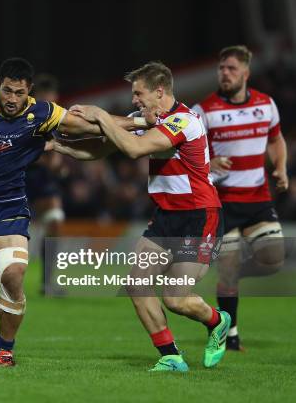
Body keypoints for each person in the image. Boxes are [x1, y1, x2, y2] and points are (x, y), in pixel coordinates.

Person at [0, 57, 126, 366]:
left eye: (19, 93)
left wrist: (139, 122)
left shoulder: (42, 112)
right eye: (6, 91)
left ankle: (5, 348)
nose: (12, 99)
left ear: (29, 90)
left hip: (10, 206)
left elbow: (89, 125)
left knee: (13, 275)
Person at [56, 61, 231, 372]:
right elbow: (102, 146)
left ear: (159, 91)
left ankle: (218, 321)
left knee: (176, 299)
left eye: (138, 93)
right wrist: (61, 144)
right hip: (166, 217)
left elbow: (135, 150)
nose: (134, 99)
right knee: (137, 284)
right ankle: (171, 356)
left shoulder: (184, 122)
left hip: (199, 217)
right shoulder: (152, 120)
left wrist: (100, 114)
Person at [192, 45, 287, 351]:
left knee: (273, 260)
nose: (225, 73)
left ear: (246, 73)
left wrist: (281, 168)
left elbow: (275, 140)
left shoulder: (265, 104)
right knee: (229, 269)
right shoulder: (204, 110)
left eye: (231, 68)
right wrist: (210, 163)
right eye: (221, 68)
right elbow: (188, 152)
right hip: (222, 203)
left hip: (258, 200)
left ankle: (232, 272)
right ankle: (229, 335)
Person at [25, 74, 66, 294]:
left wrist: (59, 165)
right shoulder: (27, 116)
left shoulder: (57, 118)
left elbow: (58, 152)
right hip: (22, 177)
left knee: (55, 222)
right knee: (1, 228)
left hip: (44, 181)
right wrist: (44, 157)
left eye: (51, 97)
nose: (48, 100)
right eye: (44, 96)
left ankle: (47, 283)